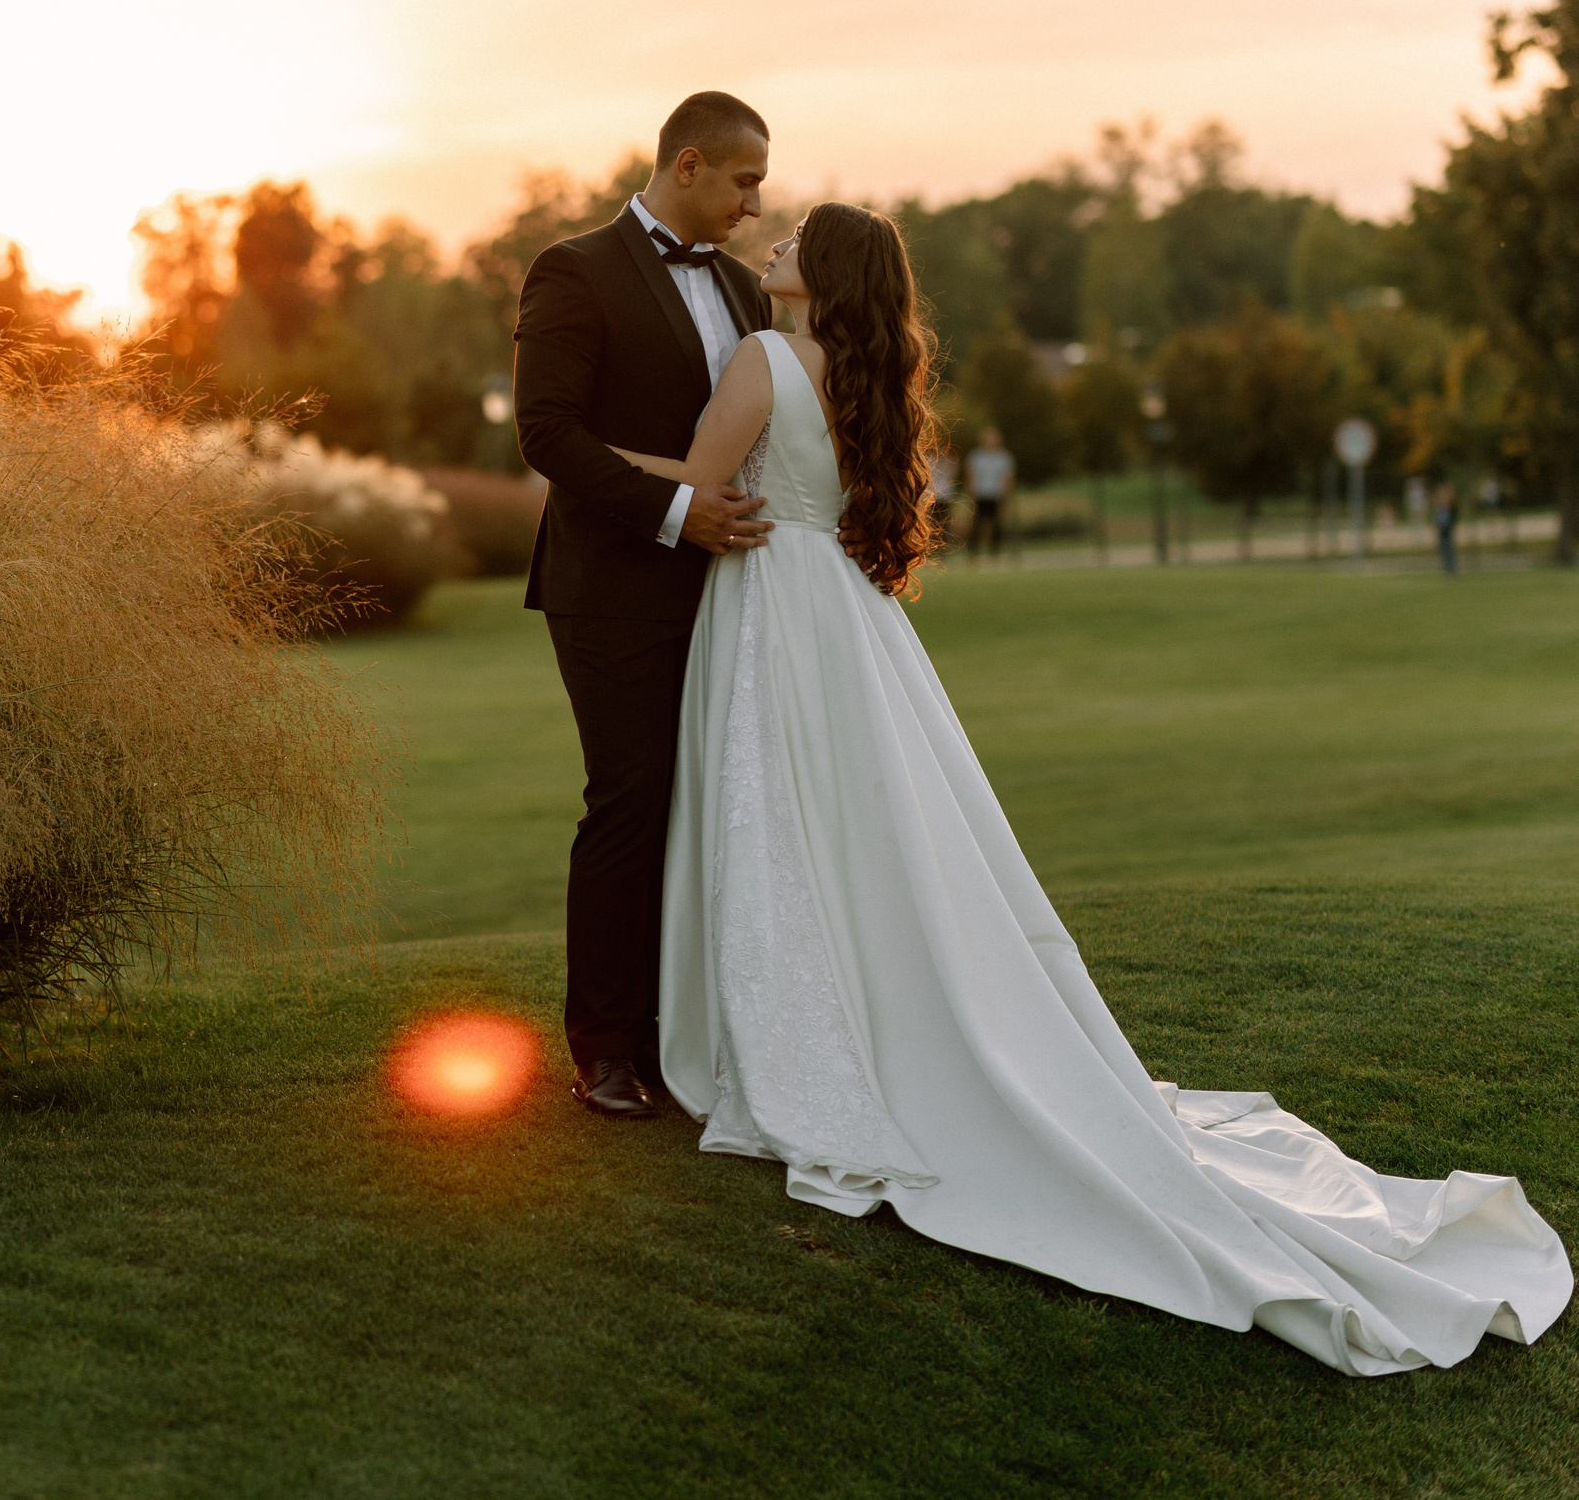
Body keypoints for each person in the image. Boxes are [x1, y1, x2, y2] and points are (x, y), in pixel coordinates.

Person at [609, 201, 1569, 1375]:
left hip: (769, 610)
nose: (778, 241)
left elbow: (698, 485)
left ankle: (804, 1034)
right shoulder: (858, 379)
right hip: (849, 629)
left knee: (784, 824)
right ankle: (863, 1007)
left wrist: (578, 459)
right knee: (864, 830)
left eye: (799, 236)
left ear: (830, 273)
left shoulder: (762, 359)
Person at [513, 91, 778, 1120]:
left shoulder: (751, 291)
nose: (754, 205)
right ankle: (605, 1048)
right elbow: (545, 434)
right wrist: (677, 513)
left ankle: (684, 1034)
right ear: (689, 165)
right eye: (744, 181)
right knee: (631, 801)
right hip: (613, 584)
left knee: (709, 803)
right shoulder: (573, 270)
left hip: (728, 585)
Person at [965, 425, 1013, 556]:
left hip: (996, 494)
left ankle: (994, 552)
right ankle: (972, 553)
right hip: (980, 494)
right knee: (976, 524)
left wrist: (1005, 494)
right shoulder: (976, 456)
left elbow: (1007, 477)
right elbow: (971, 476)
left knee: (997, 524)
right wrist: (971, 494)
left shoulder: (1003, 457)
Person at [1434, 481, 1460, 576]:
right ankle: (1448, 569)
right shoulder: (1440, 508)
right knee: (1445, 550)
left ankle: (1451, 570)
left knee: (1449, 550)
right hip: (1443, 531)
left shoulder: (1447, 508)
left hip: (1446, 531)